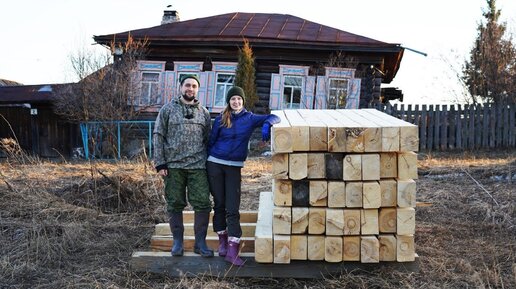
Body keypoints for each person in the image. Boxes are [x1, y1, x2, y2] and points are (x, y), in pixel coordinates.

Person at [207, 86, 280, 266]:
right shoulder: (221, 119)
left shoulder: (249, 118)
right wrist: (205, 163)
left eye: (239, 99)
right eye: (233, 99)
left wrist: (266, 124)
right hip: (214, 164)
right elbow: (211, 142)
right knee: (219, 205)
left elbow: (275, 116)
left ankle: (233, 249)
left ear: (243, 101)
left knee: (232, 207)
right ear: (229, 102)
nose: (236, 102)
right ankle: (222, 243)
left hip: (233, 168)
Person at [153, 74, 214, 257]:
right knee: (174, 203)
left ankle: (200, 243)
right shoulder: (168, 110)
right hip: (173, 166)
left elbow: (208, 140)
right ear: (181, 87)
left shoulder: (204, 112)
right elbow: (158, 135)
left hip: (198, 166)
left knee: (203, 203)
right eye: (187, 85)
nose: (190, 89)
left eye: (194, 86)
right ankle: (177, 242)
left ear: (197, 89)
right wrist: (160, 163)